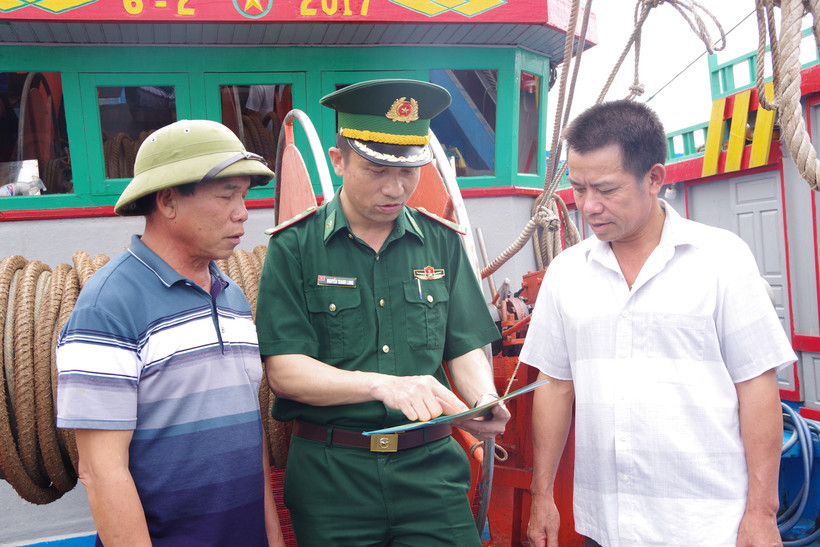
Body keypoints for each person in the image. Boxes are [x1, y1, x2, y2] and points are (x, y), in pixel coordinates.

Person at [521, 100, 796, 547]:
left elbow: (756, 386)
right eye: (578, 187)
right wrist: (542, 495)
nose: (589, 206)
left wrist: (762, 514)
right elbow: (554, 384)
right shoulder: (566, 273)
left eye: (606, 189)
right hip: (605, 523)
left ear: (654, 178)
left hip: (706, 523)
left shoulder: (721, 260)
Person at [255, 78, 510, 546]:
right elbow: (285, 372)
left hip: (431, 474)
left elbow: (467, 342)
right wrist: (381, 385)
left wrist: (480, 399)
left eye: (410, 170)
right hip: (334, 481)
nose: (396, 188)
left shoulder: (441, 241)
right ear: (339, 162)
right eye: (376, 170)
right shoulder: (294, 247)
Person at [55, 119, 285, 546]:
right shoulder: (107, 306)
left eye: (244, 195)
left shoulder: (232, 297)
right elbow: (100, 472)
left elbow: (251, 440)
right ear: (168, 201)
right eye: (226, 195)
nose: (243, 211)